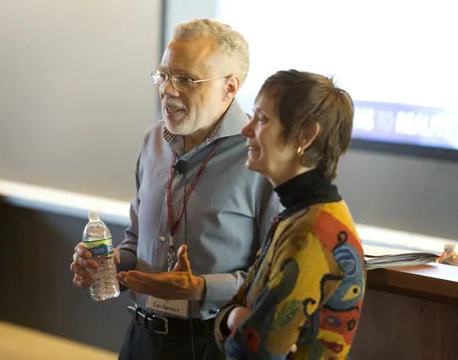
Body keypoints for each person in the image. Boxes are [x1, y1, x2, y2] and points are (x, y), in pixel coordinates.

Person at [70, 19, 282, 360]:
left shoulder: (262, 156)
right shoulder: (154, 141)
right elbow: (137, 242)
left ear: (230, 86)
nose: (168, 90)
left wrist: (201, 289)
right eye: (164, 75)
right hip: (141, 337)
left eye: (185, 79)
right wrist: (107, 265)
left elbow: (275, 276)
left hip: (214, 342)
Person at [214, 70, 366, 359]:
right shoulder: (298, 215)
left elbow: (251, 351)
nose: (246, 130)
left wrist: (235, 319)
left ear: (306, 135)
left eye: (262, 119)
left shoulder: (312, 231)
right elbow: (233, 319)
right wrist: (235, 318)